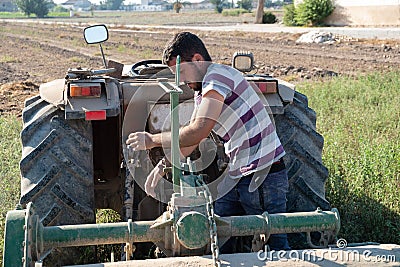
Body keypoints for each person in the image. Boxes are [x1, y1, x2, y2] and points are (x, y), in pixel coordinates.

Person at [126, 32, 290, 252]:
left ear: (196, 59)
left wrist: (153, 140)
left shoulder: (218, 77)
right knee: (217, 234)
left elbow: (199, 130)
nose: (182, 81)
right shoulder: (202, 91)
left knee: (273, 244)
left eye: (181, 72)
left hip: (262, 175)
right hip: (238, 173)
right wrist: (162, 167)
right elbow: (190, 141)